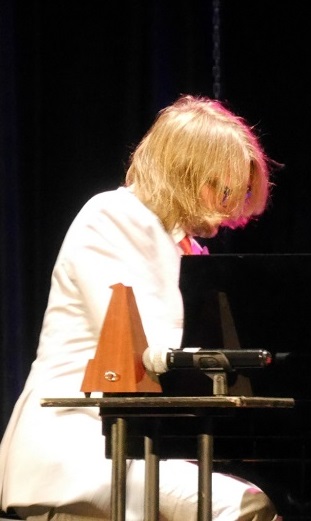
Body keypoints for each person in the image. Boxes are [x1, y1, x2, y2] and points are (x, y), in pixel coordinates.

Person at [0, 95, 276, 521]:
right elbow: (148, 348)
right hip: (79, 447)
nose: (229, 209)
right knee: (246, 505)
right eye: (224, 190)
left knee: (253, 495)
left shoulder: (181, 244)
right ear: (187, 170)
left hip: (133, 445)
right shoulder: (112, 216)